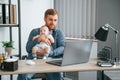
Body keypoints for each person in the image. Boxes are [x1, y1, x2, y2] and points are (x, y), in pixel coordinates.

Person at [17, 9, 65, 80]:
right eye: (50, 19)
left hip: (51, 63)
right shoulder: (35, 32)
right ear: (45, 19)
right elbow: (28, 49)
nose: (53, 22)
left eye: (55, 20)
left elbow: (62, 48)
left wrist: (50, 53)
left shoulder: (59, 33)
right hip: (34, 62)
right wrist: (38, 39)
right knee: (23, 77)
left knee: (58, 78)